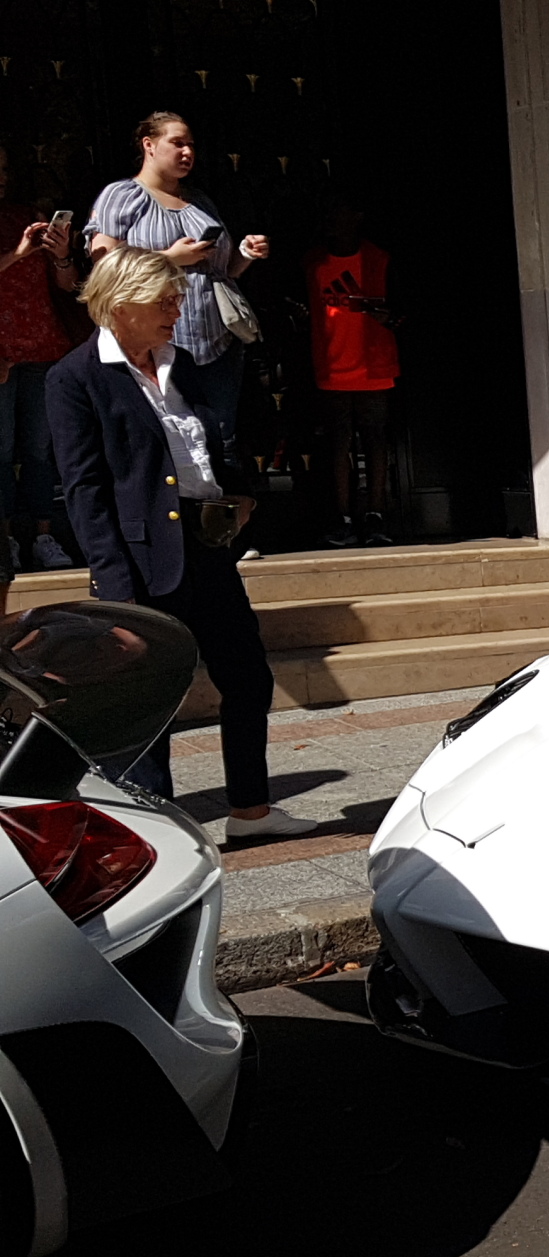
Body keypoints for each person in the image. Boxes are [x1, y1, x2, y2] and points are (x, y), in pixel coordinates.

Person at [46, 247, 312, 842]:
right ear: (120, 305)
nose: (177, 309)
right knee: (150, 699)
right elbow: (86, 491)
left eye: (178, 298)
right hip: (140, 562)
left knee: (247, 677)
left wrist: (238, 490)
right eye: (164, 300)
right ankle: (160, 833)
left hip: (207, 546)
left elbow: (210, 441)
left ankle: (251, 812)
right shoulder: (75, 378)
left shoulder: (181, 361)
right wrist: (113, 590)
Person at [83, 112, 269, 462]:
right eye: (177, 143)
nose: (187, 152)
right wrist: (169, 258)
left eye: (191, 145)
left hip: (215, 342)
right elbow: (103, 262)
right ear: (149, 145)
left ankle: (218, 515)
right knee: (166, 441)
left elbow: (222, 271)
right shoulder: (122, 195)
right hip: (157, 344)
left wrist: (245, 253)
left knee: (220, 440)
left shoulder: (200, 201)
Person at [0, 139, 81, 570]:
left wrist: (61, 253)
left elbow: (66, 287)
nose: (2, 178)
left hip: (43, 346)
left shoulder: (23, 217)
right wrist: (17, 254)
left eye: (5, 169)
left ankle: (44, 536)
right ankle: (7, 537)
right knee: (0, 451)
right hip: (3, 351)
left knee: (38, 450)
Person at [305, 194, 399, 547]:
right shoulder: (313, 262)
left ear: (356, 216)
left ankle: (376, 514)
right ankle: (342, 516)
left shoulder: (379, 258)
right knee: (338, 443)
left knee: (375, 440)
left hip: (375, 363)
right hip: (330, 364)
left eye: (340, 212)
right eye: (329, 214)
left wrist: (388, 315)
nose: (334, 220)